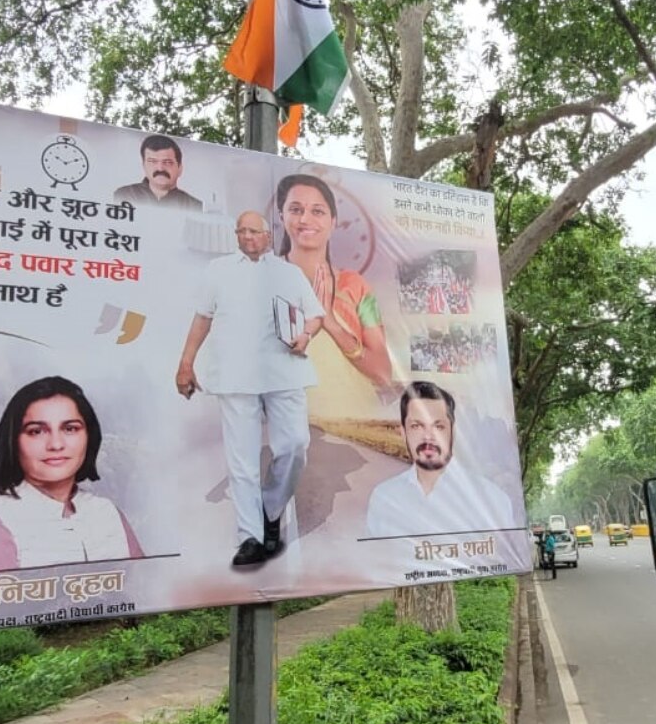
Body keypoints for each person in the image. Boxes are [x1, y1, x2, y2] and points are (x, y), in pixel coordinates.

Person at [176, 211, 324, 566]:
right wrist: (185, 364)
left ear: (268, 236)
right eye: (240, 231)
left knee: (294, 445)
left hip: (284, 372)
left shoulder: (288, 273)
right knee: (241, 461)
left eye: (253, 231)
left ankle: (271, 511)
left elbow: (316, 316)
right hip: (235, 376)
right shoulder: (219, 271)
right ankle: (250, 538)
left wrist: (305, 335)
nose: (246, 237)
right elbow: (202, 318)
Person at [0, 376, 144, 574]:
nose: (56, 444)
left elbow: (144, 593)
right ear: (13, 440)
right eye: (37, 431)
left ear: (89, 436)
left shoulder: (107, 512)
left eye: (70, 428)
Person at [275, 173, 395, 422]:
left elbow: (383, 373)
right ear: (281, 217)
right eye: (296, 209)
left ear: (333, 221)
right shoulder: (263, 280)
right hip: (283, 427)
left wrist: (330, 323)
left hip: (355, 429)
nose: (305, 219)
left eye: (317, 211)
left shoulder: (355, 286)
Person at [364, 381, 517, 538]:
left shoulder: (491, 499)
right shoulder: (385, 499)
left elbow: (506, 557)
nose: (428, 436)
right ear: (403, 433)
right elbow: (375, 558)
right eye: (417, 426)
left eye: (438, 426)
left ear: (453, 431)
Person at [113, 134, 202, 210]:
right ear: (144, 166)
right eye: (152, 161)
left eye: (167, 162)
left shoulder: (194, 206)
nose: (160, 168)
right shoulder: (124, 195)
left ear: (180, 168)